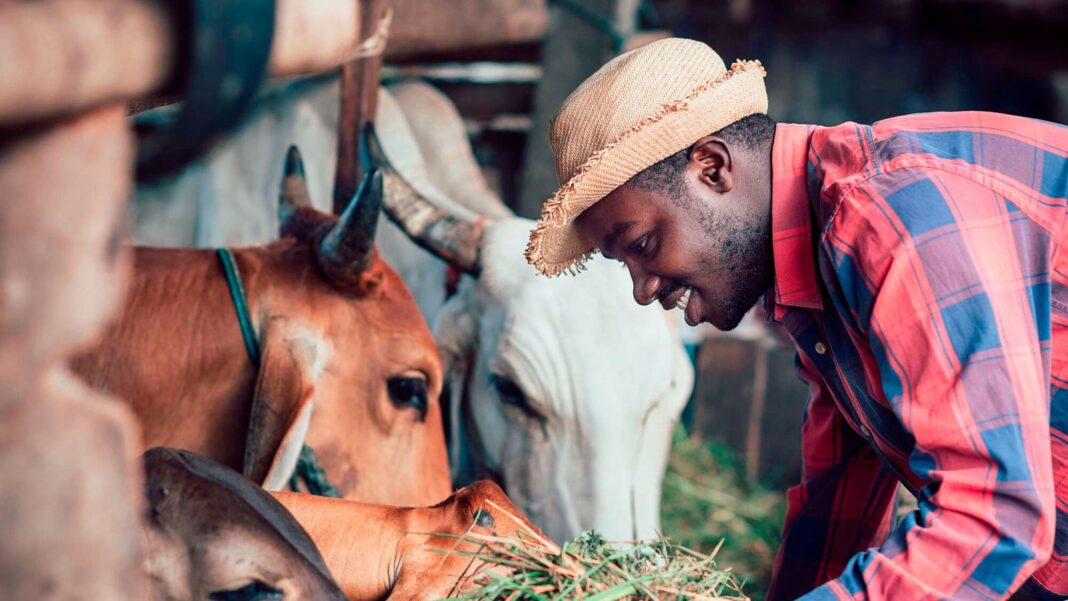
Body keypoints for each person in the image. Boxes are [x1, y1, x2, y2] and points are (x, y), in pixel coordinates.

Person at [525, 37, 1068, 600]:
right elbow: (835, 512)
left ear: (712, 168)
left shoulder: (886, 218)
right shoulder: (816, 282)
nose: (642, 291)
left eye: (641, 245)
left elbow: (993, 519)